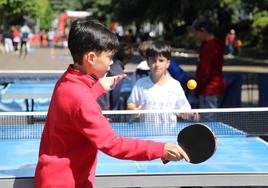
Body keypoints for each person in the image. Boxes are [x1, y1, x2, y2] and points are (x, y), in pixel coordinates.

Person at [34, 18, 189, 188]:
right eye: (109, 57)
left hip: (53, 177)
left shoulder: (66, 81)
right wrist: (161, 149)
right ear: (91, 58)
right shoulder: (82, 99)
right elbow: (114, 145)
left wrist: (98, 87)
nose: (111, 63)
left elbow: (74, 103)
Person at [127, 40, 192, 126]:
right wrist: (133, 110)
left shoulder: (175, 85)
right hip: (146, 135)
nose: (157, 64)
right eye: (153, 60)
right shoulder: (140, 84)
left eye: (161, 60)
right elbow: (130, 104)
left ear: (168, 63)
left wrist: (187, 114)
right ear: (148, 62)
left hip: (169, 135)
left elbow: (185, 110)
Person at [191, 16, 226, 109]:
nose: (196, 36)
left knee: (208, 121)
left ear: (203, 30)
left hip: (209, 91)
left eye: (196, 32)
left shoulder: (209, 47)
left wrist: (196, 89)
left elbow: (204, 72)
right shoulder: (216, 44)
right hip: (216, 88)